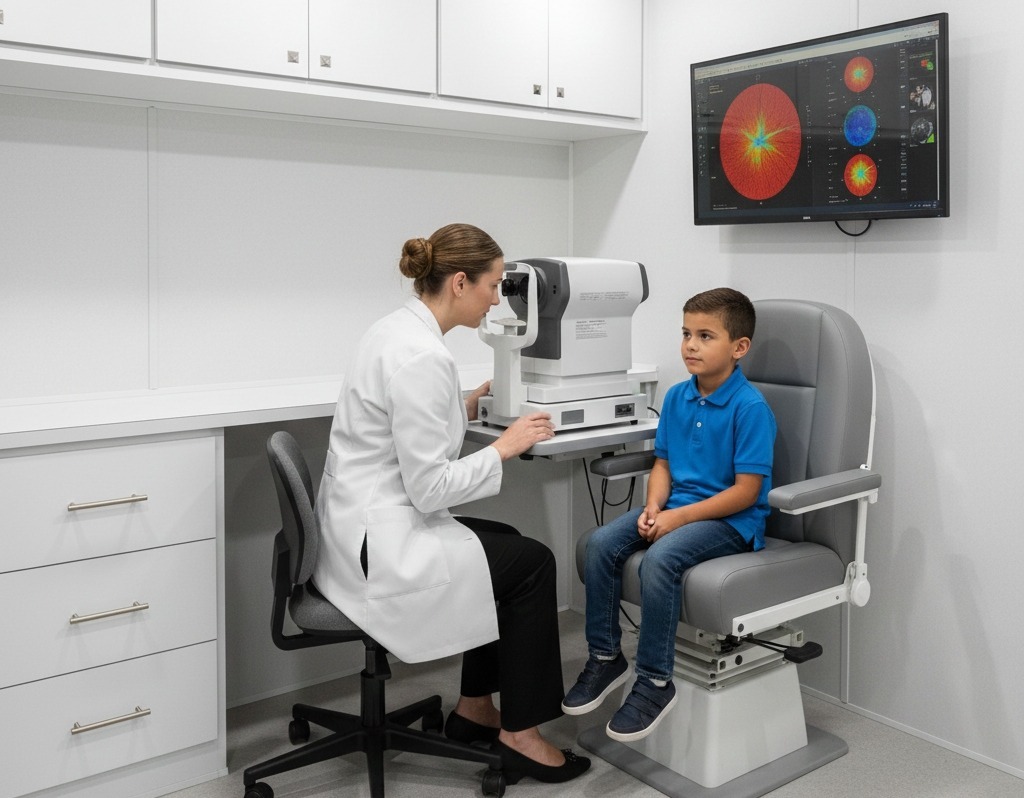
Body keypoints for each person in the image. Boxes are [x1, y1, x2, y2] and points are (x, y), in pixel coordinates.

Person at [312, 222, 590, 783]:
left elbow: (401, 434)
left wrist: (459, 405)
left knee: (506, 546)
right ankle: (522, 734)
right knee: (532, 565)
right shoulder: (422, 358)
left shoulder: (396, 332)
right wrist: (507, 447)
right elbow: (430, 488)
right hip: (381, 545)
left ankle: (474, 709)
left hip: (358, 524)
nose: (497, 297)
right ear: (460, 282)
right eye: (493, 284)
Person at [562, 287, 776, 742]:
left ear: (739, 348)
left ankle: (656, 681)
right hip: (674, 508)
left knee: (662, 559)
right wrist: (655, 506)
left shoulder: (750, 408)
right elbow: (662, 463)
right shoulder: (678, 397)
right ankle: (605, 657)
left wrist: (677, 520)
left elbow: (746, 492)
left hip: (730, 522)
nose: (690, 346)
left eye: (705, 336)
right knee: (601, 543)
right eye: (685, 334)